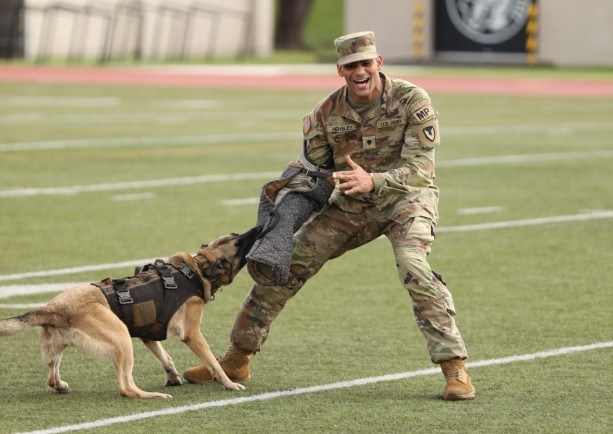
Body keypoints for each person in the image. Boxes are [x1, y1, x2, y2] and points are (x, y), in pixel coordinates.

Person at [184, 31, 475, 400]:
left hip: (407, 200)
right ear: (340, 70)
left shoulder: (410, 99)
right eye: (351, 66)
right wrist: (285, 209)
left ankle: (454, 368)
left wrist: (374, 180)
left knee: (413, 264)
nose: (360, 72)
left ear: (378, 64)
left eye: (366, 64)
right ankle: (237, 358)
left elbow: (422, 168)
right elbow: (314, 174)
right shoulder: (325, 113)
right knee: (284, 261)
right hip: (351, 204)